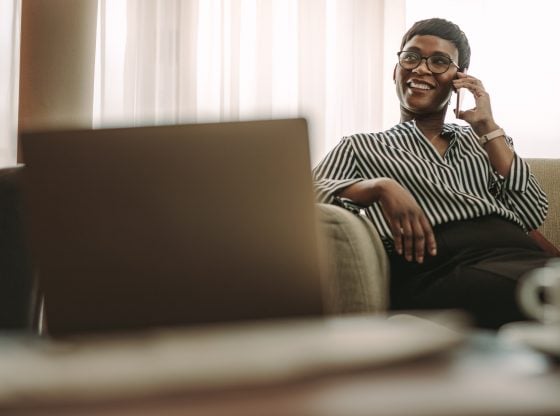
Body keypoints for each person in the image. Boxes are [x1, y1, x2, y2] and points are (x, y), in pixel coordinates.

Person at [312, 17, 554, 329]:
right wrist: (378, 186)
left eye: (439, 62)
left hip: (518, 255)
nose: (421, 69)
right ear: (396, 70)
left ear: (459, 79)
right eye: (411, 57)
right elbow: (302, 194)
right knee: (544, 291)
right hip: (441, 269)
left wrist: (487, 127)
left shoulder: (484, 141)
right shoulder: (361, 146)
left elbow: (532, 212)